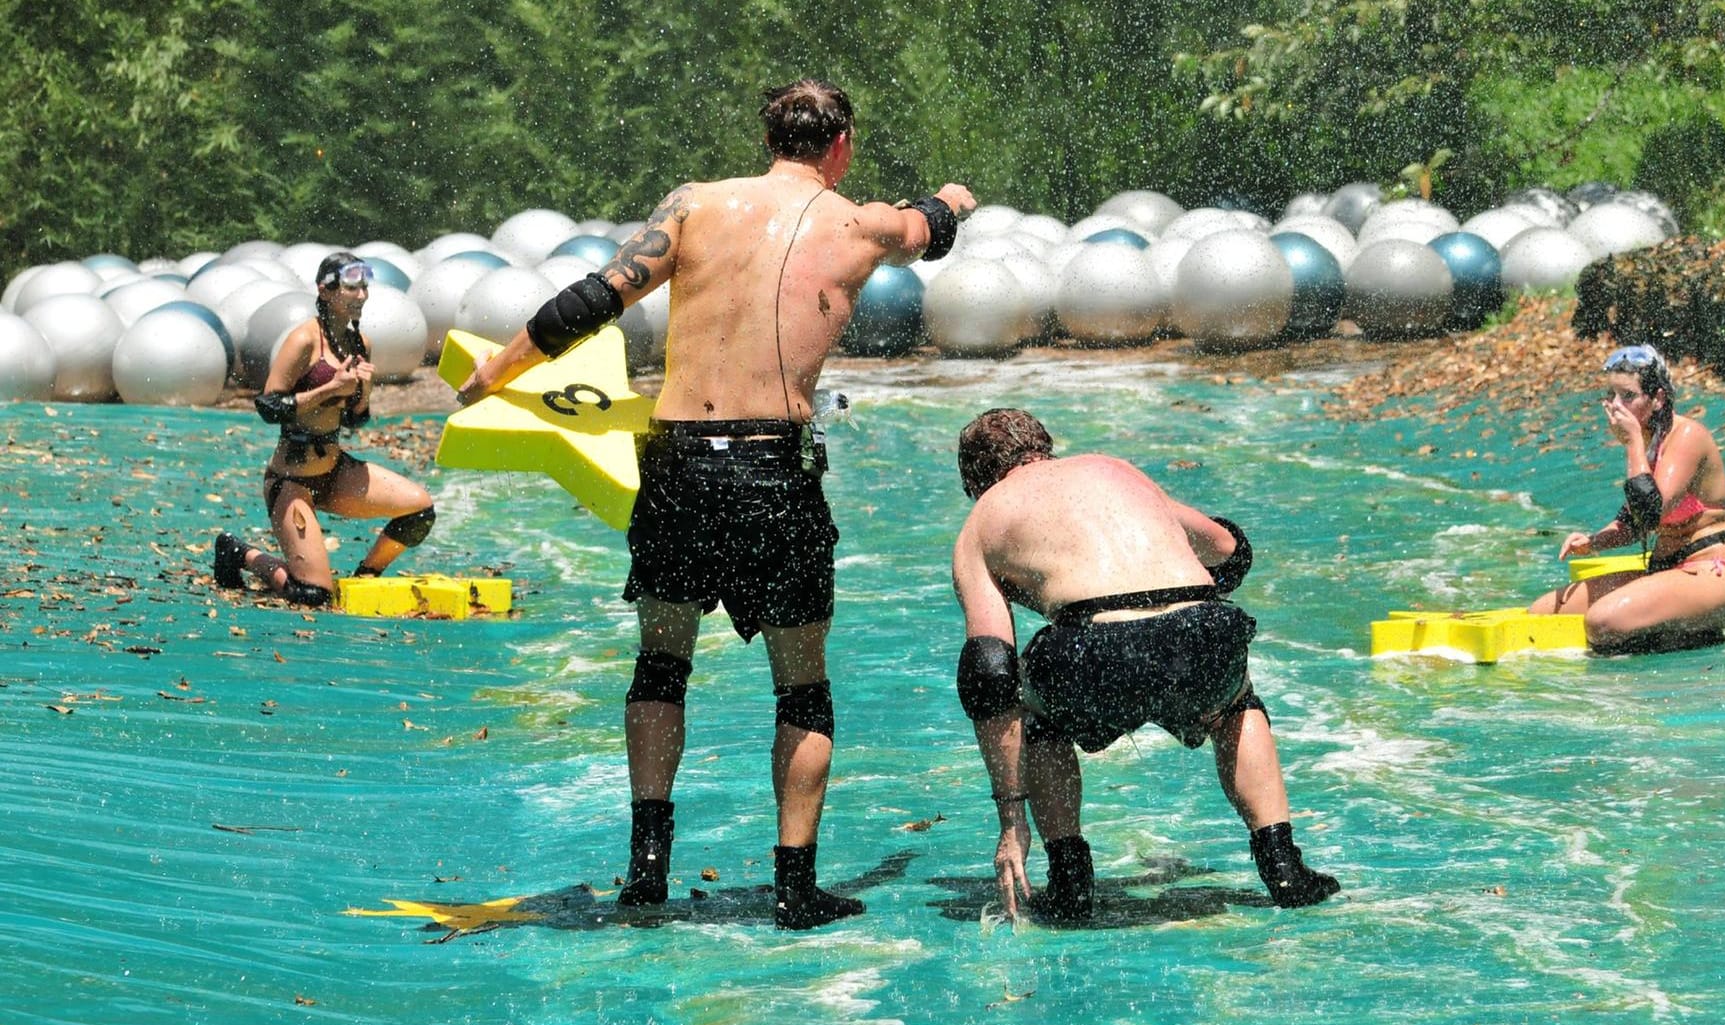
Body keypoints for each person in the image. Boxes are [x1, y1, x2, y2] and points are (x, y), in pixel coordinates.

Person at [456, 79, 975, 929]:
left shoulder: (693, 205)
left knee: (662, 664)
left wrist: (497, 370)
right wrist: (949, 200)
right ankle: (793, 886)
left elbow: (595, 297)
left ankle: (647, 871)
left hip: (681, 463)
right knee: (800, 685)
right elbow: (931, 231)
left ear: (768, 137)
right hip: (775, 466)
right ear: (840, 145)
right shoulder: (859, 222)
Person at [949, 408, 1340, 922]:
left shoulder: (983, 521)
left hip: (1092, 656)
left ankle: (1069, 879)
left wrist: (1010, 816)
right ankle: (1283, 864)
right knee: (1236, 704)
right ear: (1045, 446)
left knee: (1038, 713)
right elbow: (1229, 548)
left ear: (976, 481)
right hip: (1202, 634)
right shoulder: (1114, 470)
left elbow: (989, 669)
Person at [213, 252, 436, 606]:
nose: (362, 295)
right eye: (352, 288)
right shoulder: (303, 339)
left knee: (419, 510)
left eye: (364, 287)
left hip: (334, 472)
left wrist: (362, 392)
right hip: (292, 481)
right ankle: (240, 553)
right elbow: (268, 406)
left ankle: (365, 578)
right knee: (312, 595)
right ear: (326, 290)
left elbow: (353, 420)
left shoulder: (361, 344)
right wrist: (329, 389)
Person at [1529, 344, 1725, 651]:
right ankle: (1668, 629)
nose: (1616, 406)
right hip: (1666, 572)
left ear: (1657, 398)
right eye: (1612, 396)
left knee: (1602, 622)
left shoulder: (1687, 437)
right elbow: (1634, 524)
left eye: (1628, 396)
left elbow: (1651, 513)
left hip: (1713, 576)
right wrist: (1593, 541)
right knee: (1542, 612)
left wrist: (1631, 443)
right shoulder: (1649, 442)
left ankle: (1684, 635)